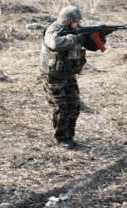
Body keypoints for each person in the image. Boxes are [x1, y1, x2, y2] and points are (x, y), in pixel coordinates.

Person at [39, 6, 108, 148]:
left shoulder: (77, 29)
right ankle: (61, 138)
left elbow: (92, 46)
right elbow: (55, 43)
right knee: (61, 108)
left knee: (74, 106)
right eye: (75, 22)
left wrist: (100, 36)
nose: (78, 24)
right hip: (53, 76)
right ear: (67, 21)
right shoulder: (53, 29)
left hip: (69, 75)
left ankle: (69, 136)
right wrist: (77, 37)